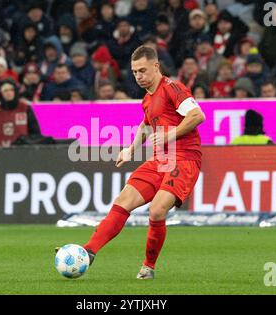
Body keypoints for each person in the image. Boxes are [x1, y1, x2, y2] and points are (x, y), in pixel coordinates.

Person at [61, 45, 206, 280]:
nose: (138, 76)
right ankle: (88, 252)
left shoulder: (173, 88)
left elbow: (197, 115)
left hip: (185, 158)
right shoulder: (148, 99)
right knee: (123, 200)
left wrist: (170, 135)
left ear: (156, 66)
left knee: (157, 210)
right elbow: (146, 125)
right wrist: (130, 149)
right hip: (161, 159)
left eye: (142, 70)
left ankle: (148, 267)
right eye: (135, 72)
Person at [0, 79, 41, 147]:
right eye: (5, 90)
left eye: (11, 90)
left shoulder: (25, 108)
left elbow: (35, 133)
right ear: (0, 94)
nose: (9, 92)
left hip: (23, 153)